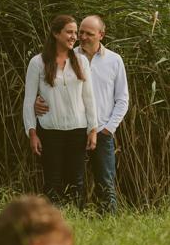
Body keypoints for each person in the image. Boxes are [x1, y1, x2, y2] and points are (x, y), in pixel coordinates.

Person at [35, 15, 128, 214]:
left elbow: (122, 100)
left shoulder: (114, 60)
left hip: (101, 131)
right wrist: (38, 101)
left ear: (101, 35)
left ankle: (109, 225)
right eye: (81, 32)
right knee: (72, 181)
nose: (82, 37)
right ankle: (73, 220)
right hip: (73, 131)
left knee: (105, 183)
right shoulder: (69, 56)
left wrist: (107, 129)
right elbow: (52, 88)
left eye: (89, 33)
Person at [23, 14, 98, 208]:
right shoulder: (37, 63)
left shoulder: (81, 62)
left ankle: (78, 222)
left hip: (77, 130)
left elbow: (89, 98)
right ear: (56, 34)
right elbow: (29, 100)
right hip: (50, 131)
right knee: (52, 183)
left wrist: (92, 129)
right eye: (69, 32)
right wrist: (32, 132)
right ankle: (53, 224)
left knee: (77, 182)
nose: (74, 36)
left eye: (75, 32)